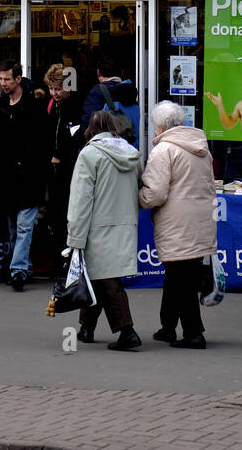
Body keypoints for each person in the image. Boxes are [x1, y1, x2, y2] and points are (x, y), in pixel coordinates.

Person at [139, 101, 217, 349]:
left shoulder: (164, 151)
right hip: (201, 219)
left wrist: (137, 199)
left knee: (181, 279)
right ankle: (168, 326)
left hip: (176, 222)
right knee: (178, 275)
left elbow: (156, 194)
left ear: (160, 126)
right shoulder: (202, 147)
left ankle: (194, 333)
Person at [66, 109, 142, 350]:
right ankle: (86, 328)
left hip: (96, 226)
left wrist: (74, 237)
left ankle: (127, 332)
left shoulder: (89, 154)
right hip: (125, 223)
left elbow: (81, 200)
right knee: (98, 277)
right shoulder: (133, 154)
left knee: (107, 280)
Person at [0, 60, 49, 290]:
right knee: (14, 228)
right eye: (1, 79)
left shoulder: (34, 107)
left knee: (24, 226)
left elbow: (43, 142)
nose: (3, 83)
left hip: (29, 176)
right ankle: (24, 267)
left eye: (7, 79)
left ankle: (18, 270)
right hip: (6, 178)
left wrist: (37, 166)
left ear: (18, 79)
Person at [44, 61, 84, 269]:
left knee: (68, 212)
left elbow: (74, 139)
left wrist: (59, 155)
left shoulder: (76, 107)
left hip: (69, 167)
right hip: (55, 168)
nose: (54, 93)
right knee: (56, 213)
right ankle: (60, 257)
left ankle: (69, 260)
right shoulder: (53, 106)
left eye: (58, 89)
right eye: (51, 89)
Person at [81, 49, 139, 145]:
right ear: (121, 72)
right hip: (131, 149)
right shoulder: (131, 91)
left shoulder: (97, 92)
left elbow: (88, 123)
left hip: (106, 151)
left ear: (98, 73)